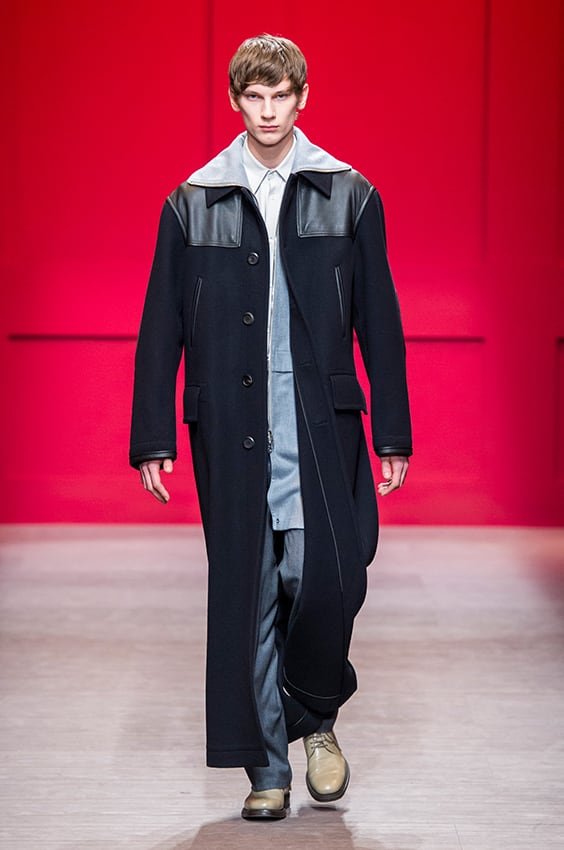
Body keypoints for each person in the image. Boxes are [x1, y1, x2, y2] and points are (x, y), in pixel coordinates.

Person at [130, 34, 412, 820]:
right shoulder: (193, 200)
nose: (266, 111)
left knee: (329, 579)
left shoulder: (348, 193)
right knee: (249, 594)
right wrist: (153, 436)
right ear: (235, 100)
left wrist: (392, 431)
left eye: (279, 95)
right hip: (230, 425)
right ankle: (267, 771)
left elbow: (379, 318)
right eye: (253, 96)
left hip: (321, 422)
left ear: (302, 97)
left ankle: (314, 716)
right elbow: (160, 324)